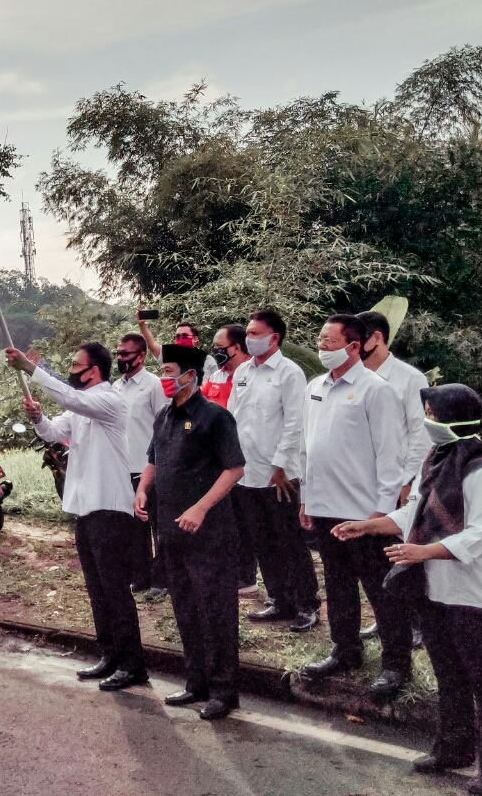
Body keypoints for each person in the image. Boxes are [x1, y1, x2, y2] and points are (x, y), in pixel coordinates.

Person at [334, 384, 482, 796]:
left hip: (476, 595)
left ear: (452, 420)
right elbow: (412, 511)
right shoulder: (435, 462)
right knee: (448, 674)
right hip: (436, 589)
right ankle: (454, 748)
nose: (427, 421)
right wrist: (367, 525)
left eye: (431, 413)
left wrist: (422, 552)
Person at [7, 342, 147, 693]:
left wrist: (30, 368)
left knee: (115, 590)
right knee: (97, 589)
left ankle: (133, 666)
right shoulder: (84, 407)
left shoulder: (109, 400)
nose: (71, 368)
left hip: (110, 508)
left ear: (93, 371)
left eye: (75, 364)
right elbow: (55, 432)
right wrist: (39, 417)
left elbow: (70, 399)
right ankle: (109, 654)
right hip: (86, 509)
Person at [299, 314, 412, 704]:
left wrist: (381, 514)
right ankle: (344, 650)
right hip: (326, 507)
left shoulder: (375, 390)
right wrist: (306, 500)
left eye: (330, 341)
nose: (322, 346)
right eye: (320, 339)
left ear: (354, 346)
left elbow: (390, 456)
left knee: (383, 590)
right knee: (339, 585)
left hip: (365, 514)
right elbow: (307, 447)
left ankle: (396, 664)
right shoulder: (315, 387)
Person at [137, 343, 246, 721]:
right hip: (171, 530)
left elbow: (234, 469)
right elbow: (153, 459)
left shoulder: (216, 418)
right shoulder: (164, 417)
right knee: (185, 609)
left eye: (170, 372)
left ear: (190, 376)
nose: (165, 378)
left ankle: (223, 690)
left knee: (215, 611)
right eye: (163, 372)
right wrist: (142, 489)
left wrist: (201, 507)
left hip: (209, 533)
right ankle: (196, 681)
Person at [231, 309, 321, 632]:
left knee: (289, 541)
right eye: (248, 333)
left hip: (279, 476)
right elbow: (233, 417)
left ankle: (307, 605)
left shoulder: (289, 373)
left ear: (274, 338)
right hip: (247, 472)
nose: (249, 338)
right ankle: (279, 599)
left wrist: (282, 465)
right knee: (261, 540)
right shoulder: (243, 371)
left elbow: (296, 422)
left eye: (255, 334)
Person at [358, 310, 431, 646]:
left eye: (362, 338)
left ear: (377, 338)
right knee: (373, 557)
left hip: (401, 479)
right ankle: (386, 616)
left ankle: (416, 621)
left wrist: (407, 480)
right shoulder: (354, 376)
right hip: (363, 482)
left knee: (402, 551)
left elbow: (420, 433)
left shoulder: (408, 377)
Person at [111, 332, 170, 598]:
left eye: (126, 354)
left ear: (141, 356)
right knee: (134, 528)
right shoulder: (116, 387)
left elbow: (165, 426)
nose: (121, 358)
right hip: (124, 467)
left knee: (158, 525)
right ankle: (141, 575)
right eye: (118, 353)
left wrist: (159, 463)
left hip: (149, 467)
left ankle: (162, 579)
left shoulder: (154, 385)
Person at [202, 324, 256, 595]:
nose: (217, 352)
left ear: (237, 347)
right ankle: (234, 572)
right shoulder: (217, 376)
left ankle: (248, 575)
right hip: (218, 457)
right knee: (228, 520)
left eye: (221, 348)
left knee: (247, 522)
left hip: (247, 459)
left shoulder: (250, 374)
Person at [137, 318, 218, 376]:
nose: (180, 339)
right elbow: (152, 344)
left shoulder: (208, 360)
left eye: (184, 336)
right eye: (177, 336)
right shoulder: (170, 355)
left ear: (195, 339)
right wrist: (142, 325)